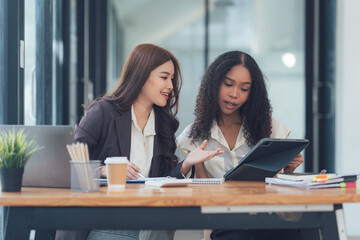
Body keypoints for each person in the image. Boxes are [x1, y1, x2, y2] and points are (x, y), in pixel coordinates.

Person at [55, 43, 223, 240]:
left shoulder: (163, 125)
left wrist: (186, 163)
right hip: (100, 219)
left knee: (163, 225)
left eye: (172, 79)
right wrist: (102, 170)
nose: (170, 85)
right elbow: (65, 167)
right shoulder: (103, 113)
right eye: (164, 77)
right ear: (142, 75)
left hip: (145, 219)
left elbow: (160, 181)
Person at [177, 51, 306, 240]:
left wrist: (289, 170)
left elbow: (279, 185)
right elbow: (202, 197)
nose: (234, 94)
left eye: (244, 89)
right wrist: (197, 164)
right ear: (214, 84)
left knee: (299, 228)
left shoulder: (270, 127)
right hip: (225, 222)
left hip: (268, 218)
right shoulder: (192, 135)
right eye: (228, 84)